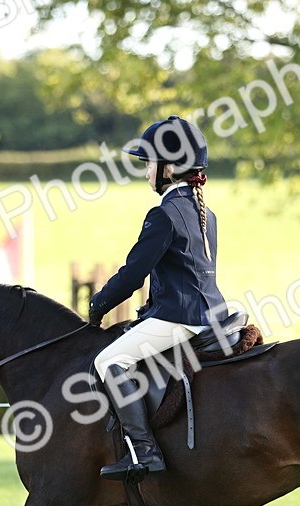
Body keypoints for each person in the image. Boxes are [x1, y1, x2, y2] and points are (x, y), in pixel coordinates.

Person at [89, 115, 227, 481]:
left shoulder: (164, 213)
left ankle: (144, 451)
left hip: (180, 318)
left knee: (109, 361)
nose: (146, 170)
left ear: (169, 168)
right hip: (212, 313)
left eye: (149, 163)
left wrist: (98, 305)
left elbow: (133, 273)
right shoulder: (205, 213)